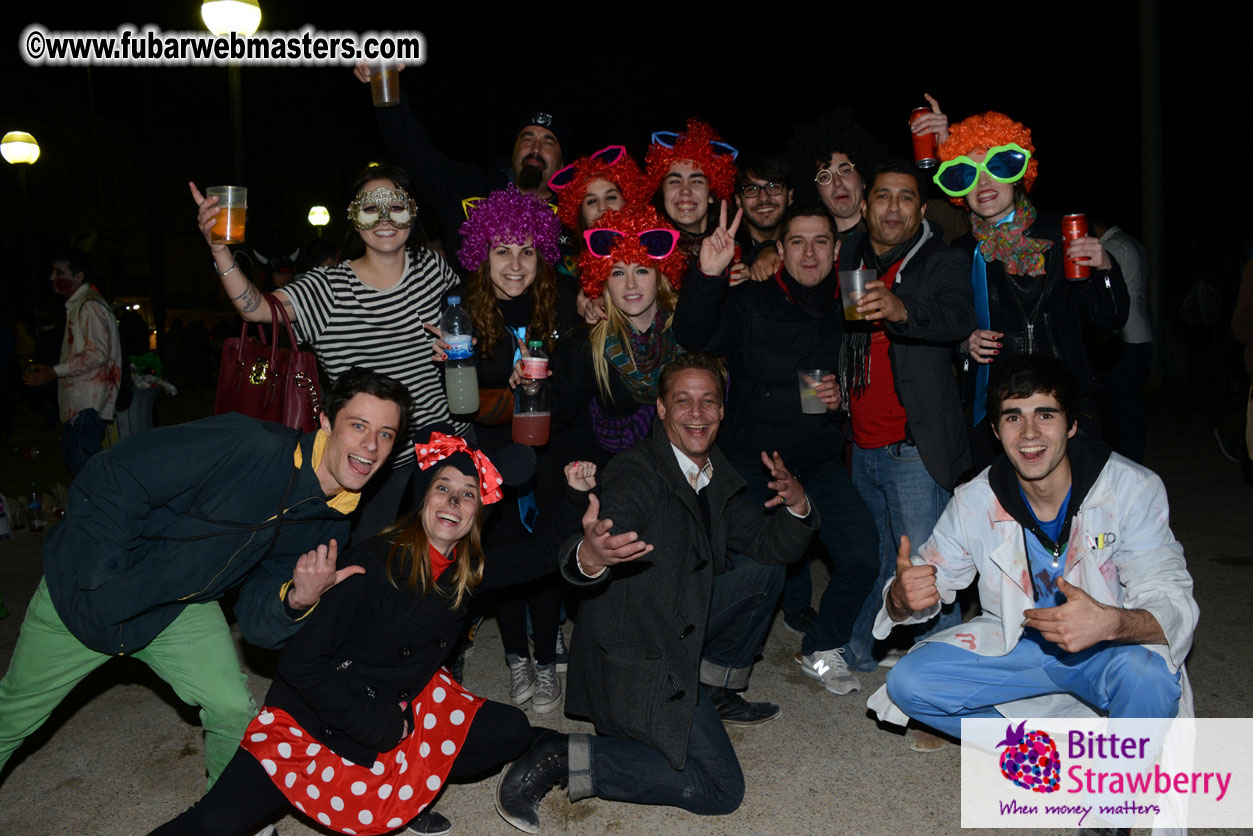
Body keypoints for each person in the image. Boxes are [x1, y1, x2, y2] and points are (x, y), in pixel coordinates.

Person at [0, 370, 409, 790]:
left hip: (179, 607)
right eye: (358, 425)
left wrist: (294, 602)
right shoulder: (252, 445)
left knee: (232, 709)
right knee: (11, 719)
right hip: (87, 592)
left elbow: (254, 620)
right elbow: (115, 473)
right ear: (325, 421)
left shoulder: (331, 524)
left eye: (385, 434)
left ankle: (221, 818)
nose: (370, 446)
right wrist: (102, 577)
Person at [148, 432, 566, 836]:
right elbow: (301, 665)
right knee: (214, 823)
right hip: (314, 719)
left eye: (468, 493)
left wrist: (577, 496)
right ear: (422, 498)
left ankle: (410, 791)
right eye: (443, 487)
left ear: (477, 516)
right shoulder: (369, 565)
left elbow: (539, 557)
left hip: (398, 701)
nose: (454, 500)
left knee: (510, 731)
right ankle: (393, 774)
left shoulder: (464, 571)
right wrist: (379, 726)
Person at [493, 352, 818, 832]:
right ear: (661, 410)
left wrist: (798, 505)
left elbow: (772, 545)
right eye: (682, 401)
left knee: (763, 573)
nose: (697, 412)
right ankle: (558, 753)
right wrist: (591, 554)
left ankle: (716, 685)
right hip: (638, 657)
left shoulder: (713, 471)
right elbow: (592, 546)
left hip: (678, 625)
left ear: (723, 411)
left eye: (708, 401)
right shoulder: (636, 472)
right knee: (720, 789)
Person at [869, 355, 1197, 746]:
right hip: (1018, 645)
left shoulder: (1130, 489)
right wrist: (901, 599)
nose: (1028, 433)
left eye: (1045, 415)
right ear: (995, 429)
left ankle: (1117, 788)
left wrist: (1112, 623)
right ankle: (1043, 754)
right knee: (908, 683)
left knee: (1149, 677)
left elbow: (1173, 603)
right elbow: (925, 578)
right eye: (1012, 417)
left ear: (1071, 424)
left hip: (1106, 649)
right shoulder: (975, 500)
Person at [191, 164, 469, 538]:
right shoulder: (328, 287)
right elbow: (255, 307)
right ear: (354, 220)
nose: (385, 219)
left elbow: (466, 327)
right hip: (368, 466)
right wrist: (220, 250)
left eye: (395, 206)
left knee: (445, 571)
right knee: (368, 575)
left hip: (442, 450)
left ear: (412, 212)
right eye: (371, 209)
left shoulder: (433, 269)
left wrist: (456, 345)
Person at [673, 202, 879, 697]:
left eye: (821, 242)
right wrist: (708, 275)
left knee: (863, 556)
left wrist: (839, 402)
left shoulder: (850, 306)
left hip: (820, 462)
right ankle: (717, 668)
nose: (810, 252)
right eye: (798, 242)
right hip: (753, 462)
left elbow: (860, 378)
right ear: (780, 249)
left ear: (836, 249)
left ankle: (822, 646)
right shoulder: (751, 301)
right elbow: (692, 335)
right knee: (752, 570)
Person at [836, 161, 974, 685]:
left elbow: (958, 317)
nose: (894, 208)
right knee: (873, 559)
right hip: (862, 447)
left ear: (921, 209)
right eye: (884, 196)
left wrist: (901, 308)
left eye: (906, 198)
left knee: (925, 574)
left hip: (913, 451)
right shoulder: (851, 256)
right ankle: (862, 652)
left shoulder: (939, 260)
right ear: (867, 204)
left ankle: (943, 690)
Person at [929, 107, 1128, 467]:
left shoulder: (1060, 235)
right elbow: (941, 325)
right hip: (998, 415)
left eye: (996, 167)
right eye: (969, 174)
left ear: (1019, 175)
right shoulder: (960, 254)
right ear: (960, 191)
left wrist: (1105, 269)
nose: (984, 183)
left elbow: (1109, 321)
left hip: (1064, 406)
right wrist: (962, 342)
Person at [445, 186, 576, 714]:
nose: (515, 264)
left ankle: (546, 658)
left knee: (544, 552)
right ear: (483, 254)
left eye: (526, 250)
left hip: (553, 445)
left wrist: (543, 380)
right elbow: (463, 397)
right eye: (501, 251)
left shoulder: (563, 298)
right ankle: (516, 655)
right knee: (501, 556)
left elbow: (579, 381)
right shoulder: (463, 312)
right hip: (495, 449)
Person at [355, 62, 566, 257]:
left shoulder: (575, 215)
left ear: (563, 163)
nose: (535, 148)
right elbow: (415, 155)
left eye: (548, 142)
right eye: (527, 140)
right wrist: (386, 92)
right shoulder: (472, 187)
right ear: (513, 153)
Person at [551, 204, 689, 468]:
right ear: (602, 282)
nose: (630, 284)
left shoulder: (685, 332)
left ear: (660, 276)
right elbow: (561, 426)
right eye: (617, 272)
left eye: (641, 270)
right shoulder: (585, 347)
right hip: (607, 473)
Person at [22, 249, 123, 477]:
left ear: (78, 276)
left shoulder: (89, 305)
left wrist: (54, 372)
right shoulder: (81, 305)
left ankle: (101, 509)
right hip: (81, 401)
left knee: (84, 465)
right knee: (79, 461)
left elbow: (97, 354)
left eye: (59, 272)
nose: (52, 278)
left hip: (87, 401)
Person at [1091, 214, 1153, 463]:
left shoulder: (1112, 247)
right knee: (1128, 409)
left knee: (1121, 412)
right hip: (1139, 335)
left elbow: (1107, 299)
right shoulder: (1132, 242)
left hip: (1124, 338)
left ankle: (1127, 466)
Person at [644, 119, 739, 263]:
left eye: (696, 181)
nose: (685, 191)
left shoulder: (739, 247)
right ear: (663, 192)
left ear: (711, 194)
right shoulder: (647, 253)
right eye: (675, 181)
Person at [732, 151, 794, 283]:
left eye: (774, 187)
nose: (764, 198)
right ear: (738, 201)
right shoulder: (726, 252)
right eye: (752, 189)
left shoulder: (805, 245)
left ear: (790, 196)